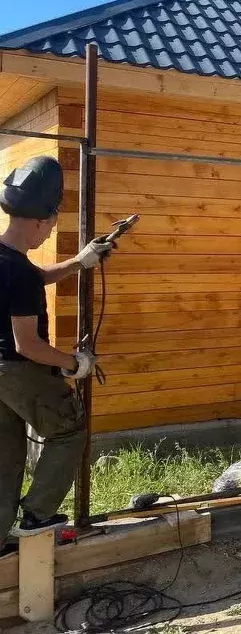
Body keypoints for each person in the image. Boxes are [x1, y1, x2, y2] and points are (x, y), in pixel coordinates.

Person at [0, 156, 113, 554]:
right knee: (69, 430)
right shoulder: (21, 273)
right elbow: (26, 345)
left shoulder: (8, 259)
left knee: (6, 456)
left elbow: (33, 277)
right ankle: (38, 515)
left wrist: (78, 263)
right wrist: (74, 363)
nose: (48, 233)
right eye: (50, 225)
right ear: (38, 221)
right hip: (17, 370)